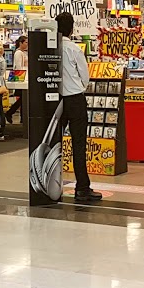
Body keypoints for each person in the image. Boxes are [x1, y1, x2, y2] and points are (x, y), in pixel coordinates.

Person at [56, 12, 102, 202]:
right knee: (78, 145)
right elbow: (85, 76)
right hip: (75, 99)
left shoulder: (50, 48)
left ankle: (51, 182)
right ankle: (82, 188)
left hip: (56, 101)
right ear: (72, 28)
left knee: (54, 142)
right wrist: (78, 87)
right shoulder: (73, 49)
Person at [5, 35, 28, 124]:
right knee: (23, 99)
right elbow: (19, 67)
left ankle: (17, 116)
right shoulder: (19, 53)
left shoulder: (23, 53)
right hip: (21, 77)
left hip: (23, 77)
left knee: (23, 99)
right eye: (26, 42)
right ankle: (11, 113)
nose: (27, 44)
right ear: (20, 43)